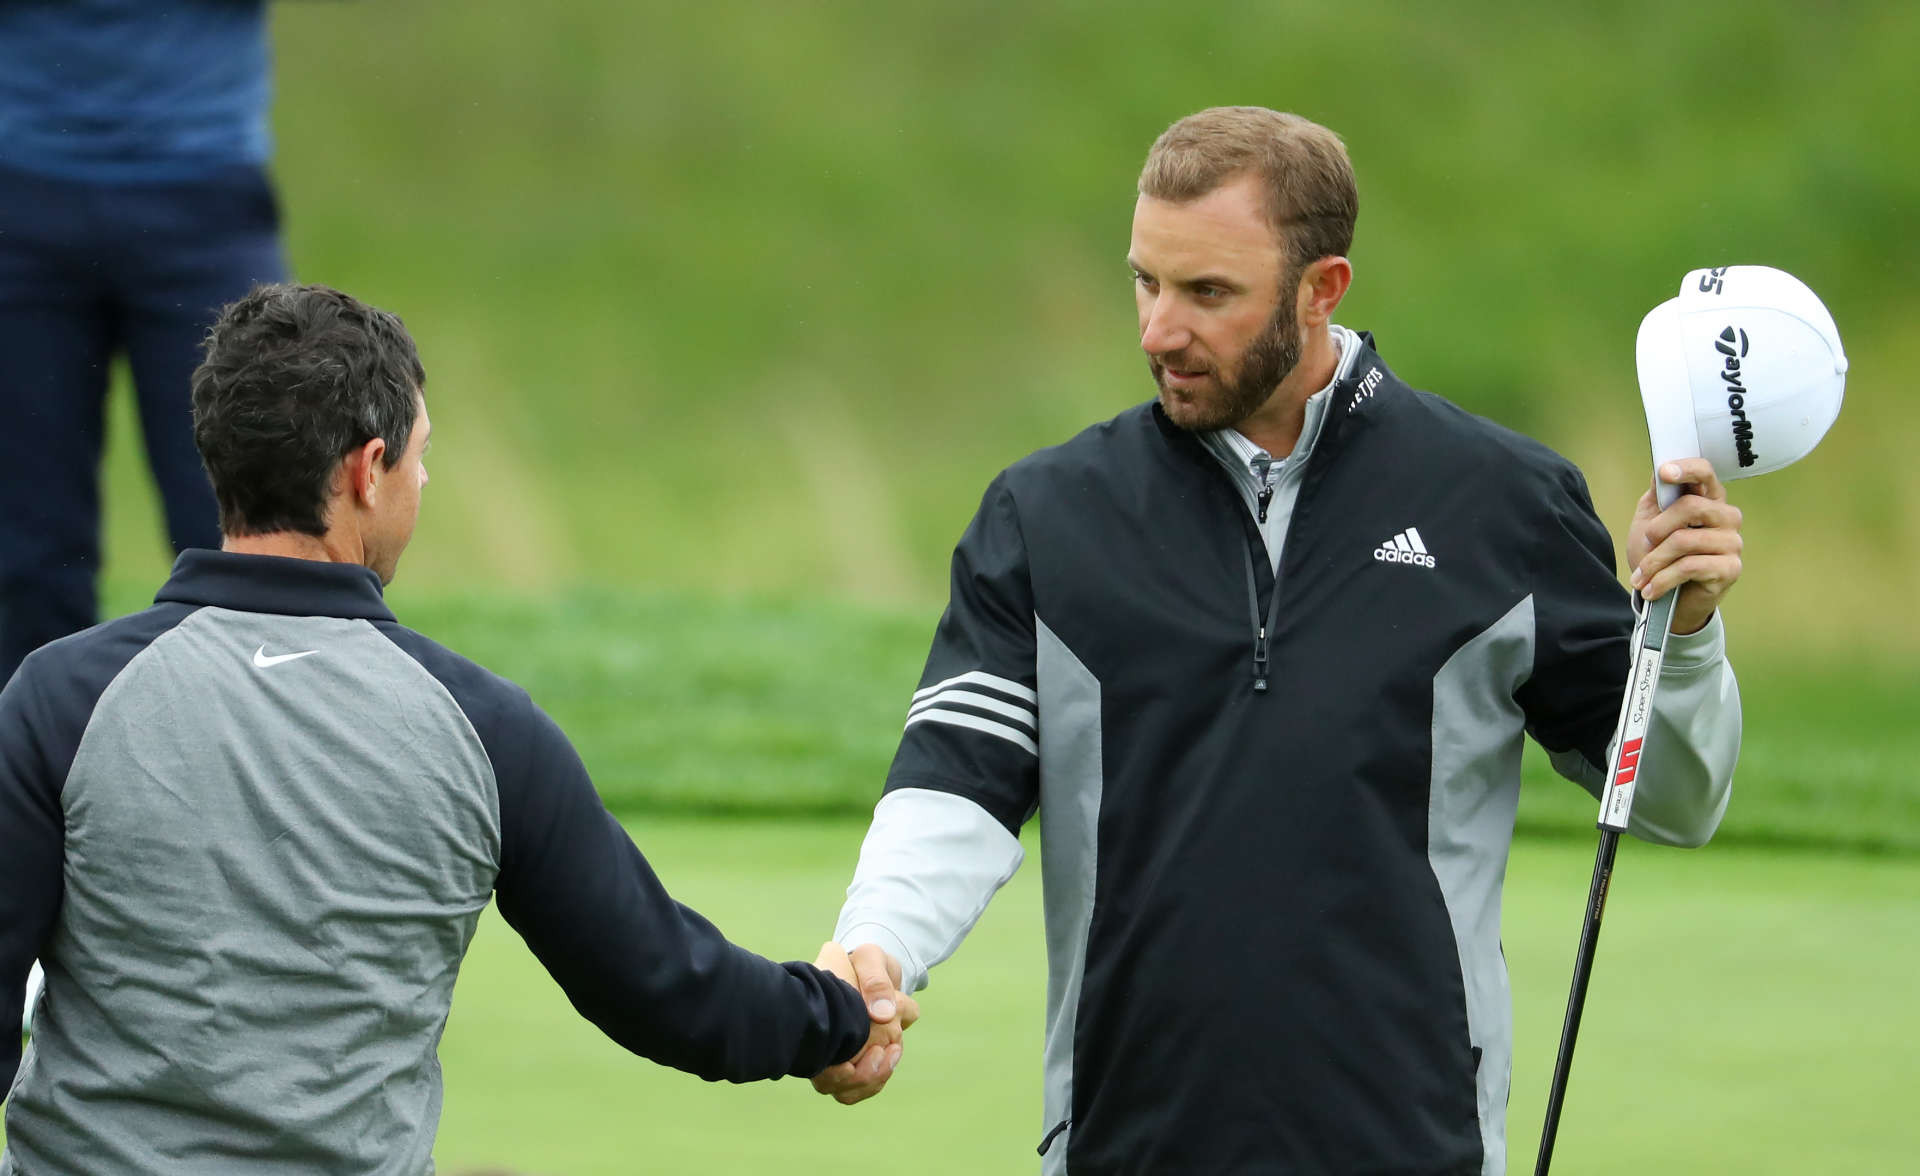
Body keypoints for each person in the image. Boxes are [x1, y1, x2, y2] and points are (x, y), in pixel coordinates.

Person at [815, 108, 1743, 1175]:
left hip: (1414, 1149)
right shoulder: (1049, 518)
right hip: (1128, 1151)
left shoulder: (1503, 504)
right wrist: (876, 950)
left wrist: (1685, 631)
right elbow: (954, 788)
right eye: (1145, 282)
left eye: (1207, 293)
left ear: (1321, 289)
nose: (1159, 331)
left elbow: (1671, 797)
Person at [0, 284, 907, 1173]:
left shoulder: (60, 699)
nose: (424, 479)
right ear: (367, 470)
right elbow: (667, 988)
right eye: (420, 455)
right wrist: (835, 1016)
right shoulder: (484, 729)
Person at [0, 0, 293, 684]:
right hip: (19, 194)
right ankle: (39, 746)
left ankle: (259, 740)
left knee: (254, 531)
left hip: (207, 200)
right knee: (28, 553)